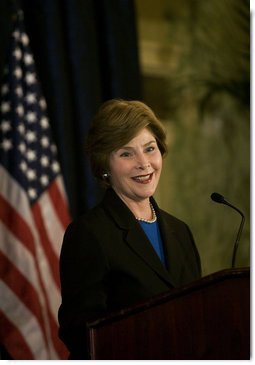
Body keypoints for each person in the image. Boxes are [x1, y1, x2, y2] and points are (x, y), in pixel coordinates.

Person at [58, 99, 201, 359]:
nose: (144, 163)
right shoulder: (89, 233)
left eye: (149, 149)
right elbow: (80, 331)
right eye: (126, 153)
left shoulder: (181, 232)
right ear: (104, 167)